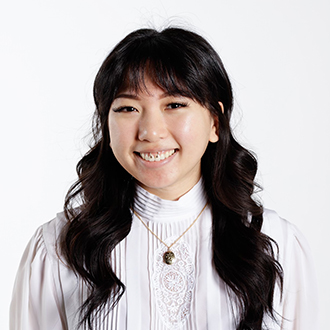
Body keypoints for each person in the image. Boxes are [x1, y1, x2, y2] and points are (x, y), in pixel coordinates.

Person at [10, 27, 318, 330]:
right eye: (128, 108)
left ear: (215, 122)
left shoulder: (276, 244)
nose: (150, 132)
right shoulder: (58, 247)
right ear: (107, 125)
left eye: (174, 105)